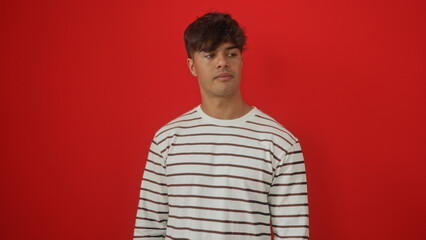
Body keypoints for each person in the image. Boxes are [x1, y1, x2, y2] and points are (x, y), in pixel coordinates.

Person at [133, 11, 309, 240]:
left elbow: (294, 235)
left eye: (231, 53)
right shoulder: (166, 140)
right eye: (210, 54)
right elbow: (148, 231)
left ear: (242, 60)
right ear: (192, 66)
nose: (223, 62)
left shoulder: (281, 143)